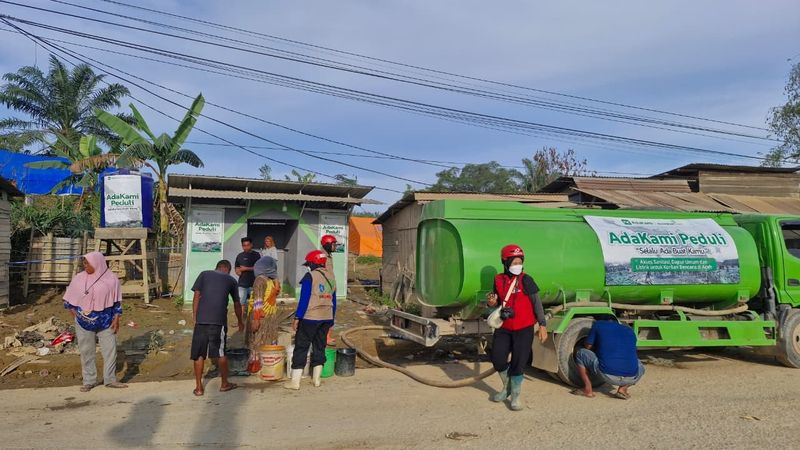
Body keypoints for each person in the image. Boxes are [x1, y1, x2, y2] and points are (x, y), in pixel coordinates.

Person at [486, 244, 547, 411]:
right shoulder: (498, 279)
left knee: (518, 363)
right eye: (514, 263)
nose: (517, 265)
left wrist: (542, 325)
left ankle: (516, 396)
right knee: (498, 360)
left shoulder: (527, 279)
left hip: (524, 327)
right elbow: (496, 301)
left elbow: (537, 303)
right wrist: (491, 303)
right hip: (504, 327)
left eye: (519, 262)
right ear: (505, 263)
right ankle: (506, 389)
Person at [64, 252, 127, 392]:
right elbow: (69, 303)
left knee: (110, 351)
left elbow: (117, 303)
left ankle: (110, 380)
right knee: (87, 352)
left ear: (97, 263)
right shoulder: (78, 279)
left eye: (88, 263)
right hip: (84, 323)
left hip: (106, 322)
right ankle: (89, 381)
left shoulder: (112, 279)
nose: (84, 265)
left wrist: (116, 319)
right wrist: (79, 316)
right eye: (84, 263)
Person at [190, 260, 244, 396]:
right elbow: (237, 304)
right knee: (220, 353)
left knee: (199, 354)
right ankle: (224, 384)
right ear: (228, 269)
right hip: (218, 322)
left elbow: (196, 295)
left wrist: (195, 315)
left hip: (201, 321)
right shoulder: (231, 280)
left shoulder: (204, 274)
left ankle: (198, 388)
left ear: (217, 267)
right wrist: (240, 322)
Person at [285, 250, 336, 390]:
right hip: (327, 316)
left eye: (309, 264)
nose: (308, 266)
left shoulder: (310, 276)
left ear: (313, 263)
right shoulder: (331, 277)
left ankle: (295, 382)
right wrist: (332, 320)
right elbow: (334, 300)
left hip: (310, 317)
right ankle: (316, 379)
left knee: (301, 347)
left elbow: (304, 299)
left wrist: (297, 317)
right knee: (320, 347)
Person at [573, 319, 645, 400]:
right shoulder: (630, 331)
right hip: (632, 378)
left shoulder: (599, 324)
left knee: (581, 352)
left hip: (607, 374)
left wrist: (597, 347)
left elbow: (588, 346)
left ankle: (588, 389)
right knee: (639, 363)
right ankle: (623, 389)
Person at [247, 256, 281, 348]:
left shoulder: (260, 280)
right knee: (267, 343)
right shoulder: (270, 281)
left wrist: (256, 320)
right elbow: (276, 292)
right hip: (269, 317)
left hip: (261, 317)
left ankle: (258, 362)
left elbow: (258, 301)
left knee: (258, 343)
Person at [235, 237, 261, 306]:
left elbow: (259, 268)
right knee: (241, 304)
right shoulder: (239, 256)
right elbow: (237, 267)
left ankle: (253, 317)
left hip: (254, 284)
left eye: (248, 245)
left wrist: (246, 268)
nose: (246, 247)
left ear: (251, 245)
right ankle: (241, 317)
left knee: (256, 305)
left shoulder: (256, 255)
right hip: (242, 285)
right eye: (244, 245)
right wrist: (237, 272)